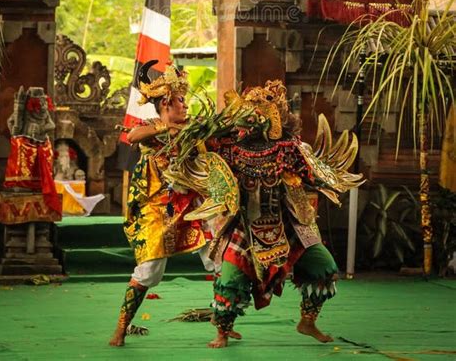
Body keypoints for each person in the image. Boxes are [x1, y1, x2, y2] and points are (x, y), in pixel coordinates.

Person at [165, 80, 362, 348]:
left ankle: (308, 320)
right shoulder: (227, 148)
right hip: (245, 227)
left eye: (263, 110)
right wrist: (189, 145)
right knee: (231, 281)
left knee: (324, 267)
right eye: (252, 111)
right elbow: (201, 168)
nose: (256, 117)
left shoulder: (291, 149)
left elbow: (314, 175)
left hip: (289, 225)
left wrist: (320, 180)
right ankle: (223, 332)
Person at [109, 61, 215, 347]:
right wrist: (166, 128)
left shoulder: (194, 131)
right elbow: (132, 136)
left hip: (192, 206)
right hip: (156, 209)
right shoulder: (150, 128)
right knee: (149, 271)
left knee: (217, 260)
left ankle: (223, 327)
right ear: (166, 102)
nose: (185, 105)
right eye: (180, 100)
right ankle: (121, 328)